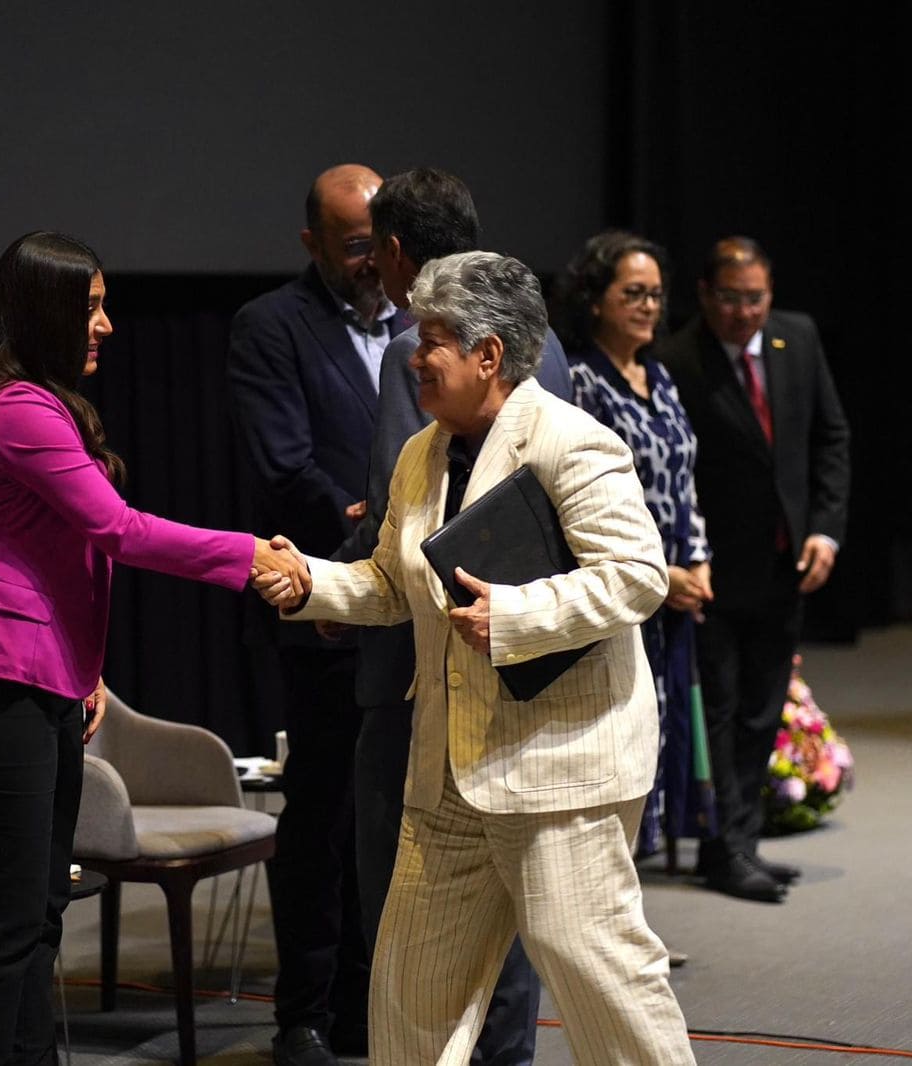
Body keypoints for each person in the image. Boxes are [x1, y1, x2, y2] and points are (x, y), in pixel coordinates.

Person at [260, 252, 695, 1065]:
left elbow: (637, 578)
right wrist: (308, 581)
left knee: (602, 979)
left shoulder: (571, 442)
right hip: (451, 772)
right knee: (411, 995)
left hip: (560, 771)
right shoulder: (424, 452)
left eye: (431, 340)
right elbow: (393, 584)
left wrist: (516, 614)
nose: (414, 356)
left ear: (488, 354)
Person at [0, 230, 308, 1066]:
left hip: (37, 680)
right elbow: (117, 532)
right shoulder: (19, 408)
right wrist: (249, 557)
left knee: (44, 912)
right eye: (90, 308)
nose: (107, 326)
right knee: (15, 916)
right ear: (45, 311)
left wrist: (86, 674)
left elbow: (69, 556)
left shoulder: (41, 404)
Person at [331, 166, 578, 1066]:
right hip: (523, 663)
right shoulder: (539, 341)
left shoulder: (428, 344)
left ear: (394, 251)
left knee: (413, 920)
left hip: (423, 670)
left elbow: (413, 510)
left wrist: (355, 555)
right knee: (506, 911)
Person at [227, 163, 403, 1065]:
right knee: (325, 814)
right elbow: (284, 465)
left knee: (399, 818)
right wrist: (375, 529)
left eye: (380, 242)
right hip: (325, 600)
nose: (372, 261)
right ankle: (302, 1013)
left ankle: (376, 1003)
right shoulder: (271, 327)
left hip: (413, 607)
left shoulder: (425, 321)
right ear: (312, 244)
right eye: (353, 246)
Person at [656, 237, 851, 904]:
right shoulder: (677, 359)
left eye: (756, 298)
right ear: (706, 296)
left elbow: (830, 437)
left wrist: (825, 530)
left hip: (785, 562)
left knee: (764, 711)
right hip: (712, 571)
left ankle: (744, 842)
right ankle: (722, 849)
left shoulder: (795, 338)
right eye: (731, 299)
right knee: (721, 709)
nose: (745, 312)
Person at [553, 230, 714, 861]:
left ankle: (634, 922)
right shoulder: (581, 382)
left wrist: (696, 559)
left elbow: (684, 476)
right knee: (621, 751)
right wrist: (660, 573)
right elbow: (573, 494)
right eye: (632, 293)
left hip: (674, 597)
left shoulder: (661, 376)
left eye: (655, 294)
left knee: (663, 745)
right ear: (595, 300)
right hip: (622, 591)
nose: (648, 306)